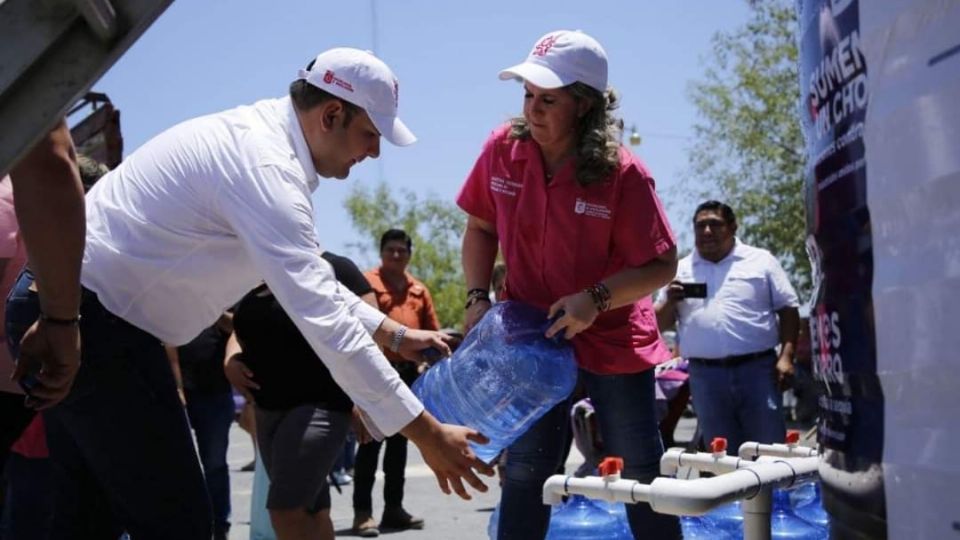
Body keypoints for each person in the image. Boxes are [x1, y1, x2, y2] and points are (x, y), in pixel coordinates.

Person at [5, 47, 491, 539]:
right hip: (91, 322)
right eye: (371, 134)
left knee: (88, 516)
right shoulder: (265, 170)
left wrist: (392, 333)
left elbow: (309, 280)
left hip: (82, 311)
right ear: (331, 114)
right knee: (179, 522)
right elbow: (324, 317)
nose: (375, 152)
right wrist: (427, 432)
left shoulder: (260, 147)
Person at [457, 30, 682, 540]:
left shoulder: (623, 173)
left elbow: (662, 265)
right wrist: (476, 297)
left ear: (583, 105)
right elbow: (480, 227)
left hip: (613, 335)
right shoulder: (502, 150)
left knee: (641, 471)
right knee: (527, 471)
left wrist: (595, 299)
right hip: (534, 338)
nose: (533, 110)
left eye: (549, 100)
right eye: (528, 96)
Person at [226, 251, 376, 540]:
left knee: (286, 512)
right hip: (267, 408)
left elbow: (368, 337)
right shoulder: (255, 269)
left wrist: (364, 397)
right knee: (313, 510)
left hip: (321, 403)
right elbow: (238, 327)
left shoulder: (337, 268)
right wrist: (230, 358)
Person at [655, 200, 800, 453]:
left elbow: (789, 309)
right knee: (720, 454)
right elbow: (659, 323)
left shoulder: (761, 261)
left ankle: (772, 494)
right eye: (700, 226)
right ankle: (734, 495)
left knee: (770, 450)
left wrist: (787, 357)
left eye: (715, 224)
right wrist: (669, 301)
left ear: (733, 227)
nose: (707, 231)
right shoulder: (680, 269)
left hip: (758, 371)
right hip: (705, 377)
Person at [352, 229, 440, 536]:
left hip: (407, 377)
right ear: (381, 252)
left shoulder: (419, 290)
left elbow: (432, 331)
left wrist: (428, 362)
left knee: (400, 447)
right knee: (369, 445)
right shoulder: (366, 284)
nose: (396, 255)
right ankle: (362, 514)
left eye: (402, 251)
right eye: (391, 250)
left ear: (409, 255)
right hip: (373, 373)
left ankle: (394, 509)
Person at [166, 313, 236, 540]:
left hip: (215, 391)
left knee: (215, 463)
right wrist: (177, 388)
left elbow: (238, 327)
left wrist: (212, 309)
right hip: (180, 392)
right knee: (178, 465)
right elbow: (168, 345)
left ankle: (220, 523)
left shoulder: (217, 298)